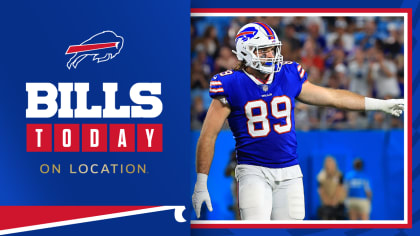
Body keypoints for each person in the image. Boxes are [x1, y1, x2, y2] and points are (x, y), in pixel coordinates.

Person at [192, 22, 404, 220]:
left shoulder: (288, 74)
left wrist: (380, 104)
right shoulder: (230, 83)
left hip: (290, 172)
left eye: (272, 48)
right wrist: (201, 183)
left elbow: (333, 97)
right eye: (263, 49)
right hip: (253, 171)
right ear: (245, 51)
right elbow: (208, 135)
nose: (270, 54)